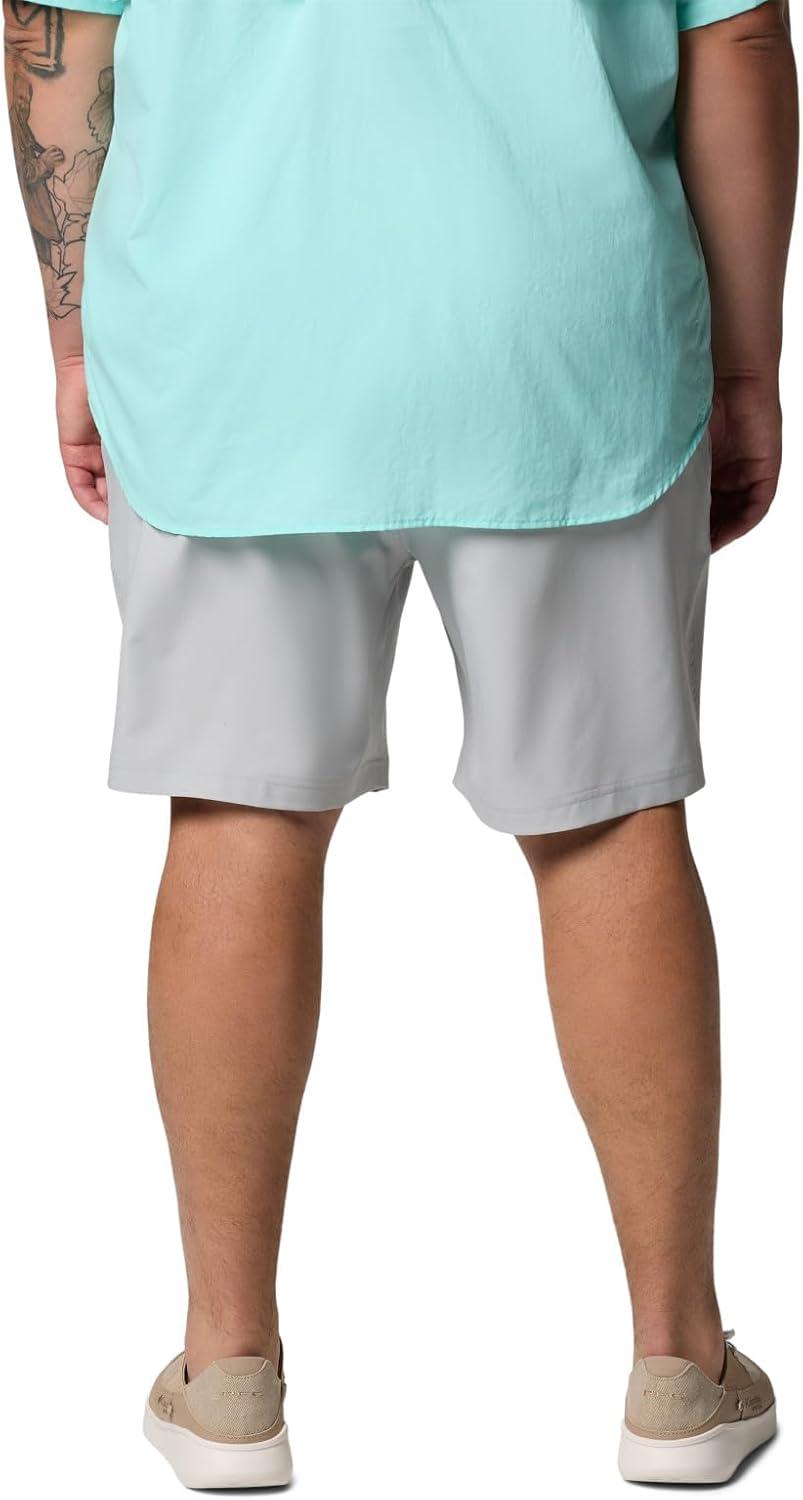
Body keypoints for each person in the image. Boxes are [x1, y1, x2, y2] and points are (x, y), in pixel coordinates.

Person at [4, 1, 797, 1488]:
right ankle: (681, 1368)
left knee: (238, 814)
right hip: (562, 325)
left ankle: (227, 1370)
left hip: (232, 330)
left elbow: (60, 34)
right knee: (609, 822)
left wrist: (74, 338)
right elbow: (738, 44)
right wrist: (746, 368)